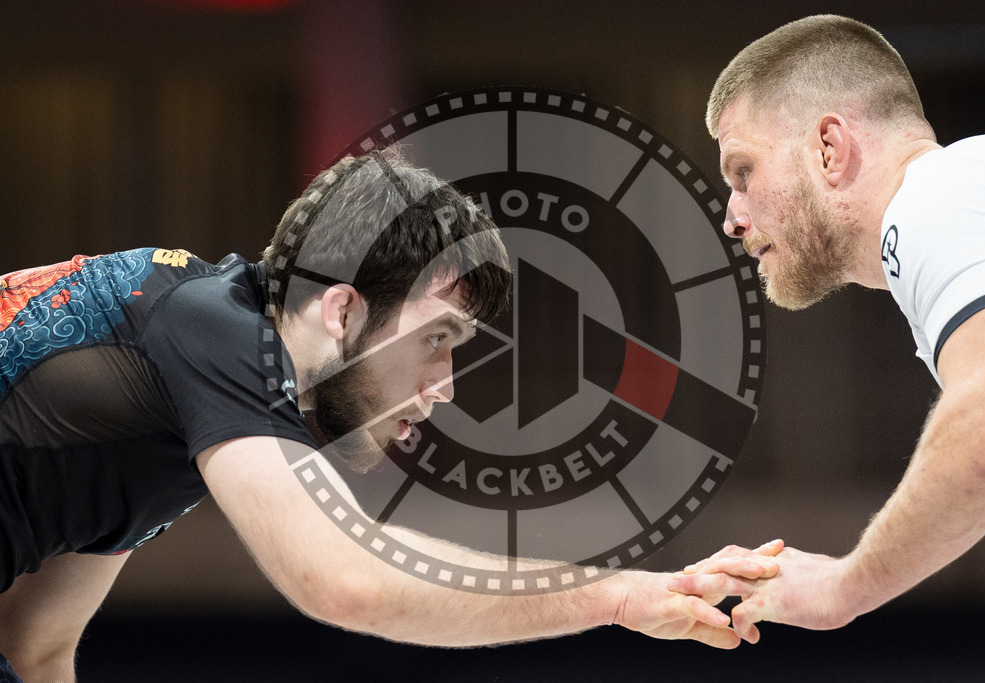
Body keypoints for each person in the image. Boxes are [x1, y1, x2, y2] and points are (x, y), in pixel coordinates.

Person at [0, 149, 779, 681]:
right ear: (341, 310)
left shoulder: (182, 393)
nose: (445, 385)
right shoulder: (208, 328)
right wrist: (615, 596)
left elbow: (37, 645)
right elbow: (348, 579)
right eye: (438, 338)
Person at [674, 13, 985, 643]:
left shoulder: (937, 196)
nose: (731, 216)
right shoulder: (965, 202)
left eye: (743, 172)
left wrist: (846, 587)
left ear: (828, 148)